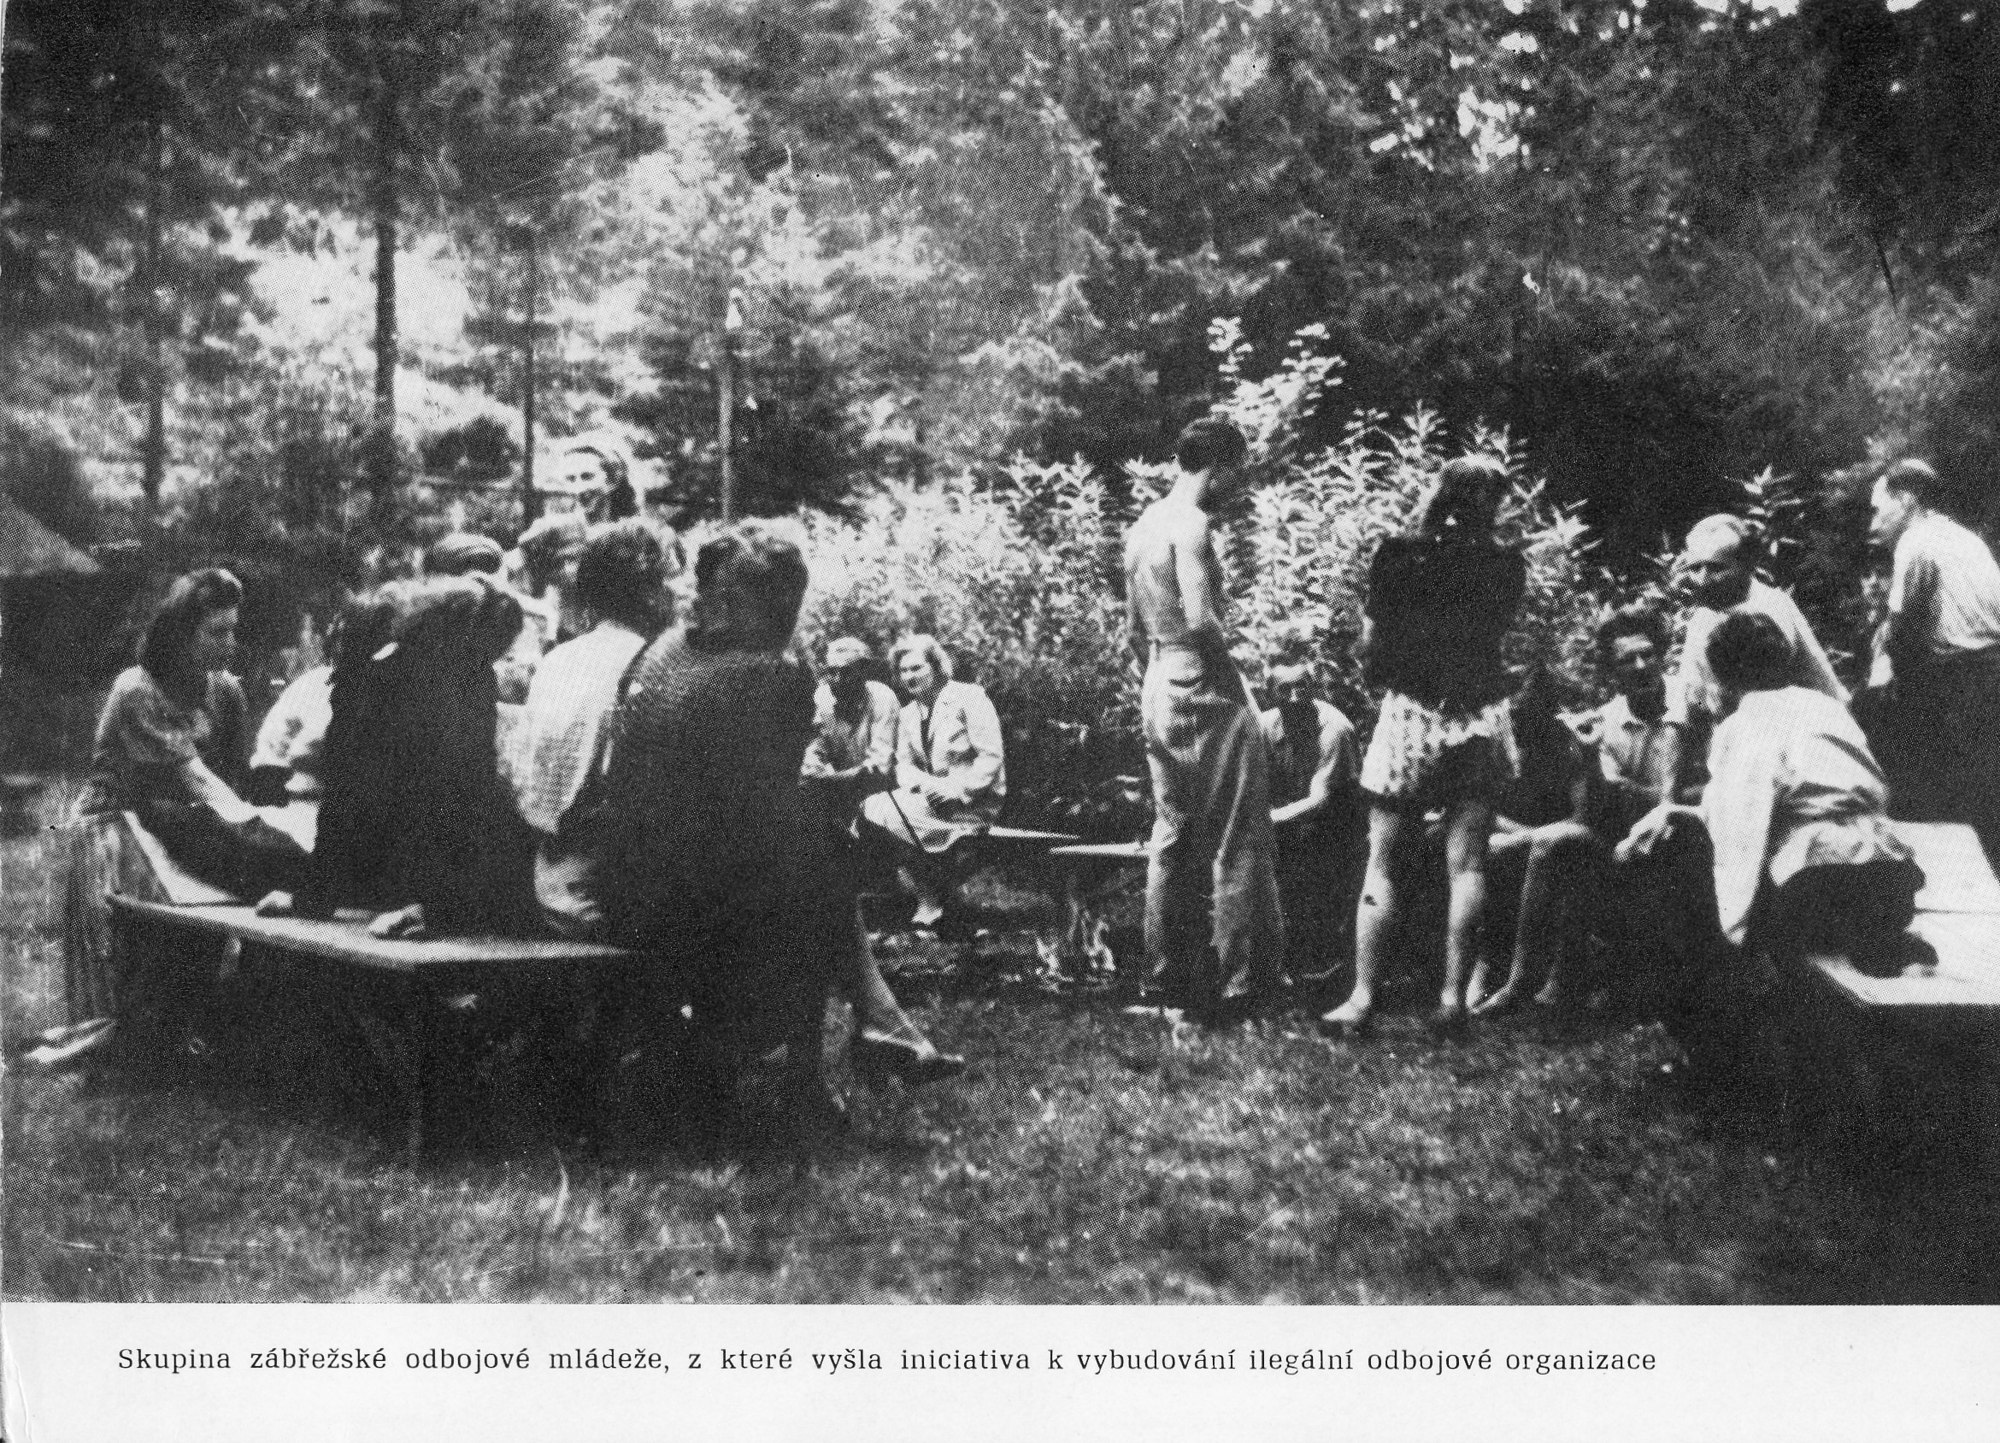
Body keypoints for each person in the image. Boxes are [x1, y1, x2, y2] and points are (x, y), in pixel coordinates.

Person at [598, 524, 863, 1137]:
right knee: (828, 866)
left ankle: (862, 1029)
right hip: (693, 899)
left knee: (815, 858)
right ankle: (803, 1078)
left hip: (624, 874)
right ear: (780, 603)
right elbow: (762, 810)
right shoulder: (771, 675)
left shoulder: (661, 650)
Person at [1321, 455, 1524, 1039]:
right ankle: (1453, 999)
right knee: (1468, 864)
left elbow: (1372, 639)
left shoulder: (1398, 554)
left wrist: (1381, 669)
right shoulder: (1506, 564)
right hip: (1481, 711)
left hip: (1412, 710)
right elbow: (1493, 635)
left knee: (1382, 861)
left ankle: (1362, 998)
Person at [65, 568, 308, 1023]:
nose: (229, 643)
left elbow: (228, 779)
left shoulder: (226, 691)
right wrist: (256, 825)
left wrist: (253, 828)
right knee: (136, 979)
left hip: (186, 827)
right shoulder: (137, 690)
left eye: (233, 630)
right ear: (180, 634)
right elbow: (193, 778)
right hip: (118, 832)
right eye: (216, 632)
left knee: (204, 946)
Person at [1625, 611, 1924, 981]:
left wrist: (1734, 929)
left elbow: (1741, 828)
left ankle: (1715, 984)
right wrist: (1676, 811)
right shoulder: (1825, 707)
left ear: (1725, 677)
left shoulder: (1746, 723)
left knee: (1690, 866)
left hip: (1822, 878)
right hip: (1891, 872)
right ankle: (1877, 939)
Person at [1122, 418, 1284, 1021]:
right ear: (1219, 468)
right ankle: (1241, 982)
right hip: (1202, 678)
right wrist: (1238, 685)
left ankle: (1162, 976)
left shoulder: (1143, 527)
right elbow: (1201, 619)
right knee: (1239, 831)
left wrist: (1162, 678)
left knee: (1172, 833)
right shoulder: (1192, 525)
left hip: (1158, 679)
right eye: (1236, 474)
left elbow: (1133, 630)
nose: (1236, 487)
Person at [274, 574, 535, 939]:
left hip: (405, 867)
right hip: (410, 867)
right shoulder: (442, 674)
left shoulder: (451, 673)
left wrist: (315, 896)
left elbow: (348, 796)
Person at [800, 637, 964, 1082]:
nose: (835, 679)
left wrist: (836, 780)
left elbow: (879, 768)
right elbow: (809, 768)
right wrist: (839, 780)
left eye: (845, 671)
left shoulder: (882, 699)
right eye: (830, 671)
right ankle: (882, 1033)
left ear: (864, 671)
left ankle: (884, 1030)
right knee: (826, 913)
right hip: (822, 813)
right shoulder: (818, 701)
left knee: (838, 908)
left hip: (868, 803)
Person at [512, 521, 673, 937]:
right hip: (606, 902)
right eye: (672, 576)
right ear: (650, 591)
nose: (683, 590)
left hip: (546, 882)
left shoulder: (558, 660)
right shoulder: (653, 665)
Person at [1863, 458, 2000, 863]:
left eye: (1878, 509)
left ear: (1906, 499)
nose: (1873, 522)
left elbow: (1900, 631)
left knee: (1977, 794)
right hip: (1984, 669)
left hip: (1969, 677)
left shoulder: (1916, 541)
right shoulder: (1963, 538)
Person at [1466, 667, 1597, 1016]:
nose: (1517, 716)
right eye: (1513, 708)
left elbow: (1580, 818)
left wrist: (1521, 839)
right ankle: (1481, 964)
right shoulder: (1493, 740)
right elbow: (1481, 808)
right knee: (1472, 853)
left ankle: (1522, 977)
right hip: (1504, 835)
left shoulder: (1568, 746)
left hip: (1549, 842)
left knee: (1545, 854)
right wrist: (1510, 835)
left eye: (1528, 709)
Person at [858, 634, 1007, 930]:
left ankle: (932, 896)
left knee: (891, 815)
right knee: (873, 807)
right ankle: (927, 891)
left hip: (972, 803)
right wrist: (927, 786)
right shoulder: (908, 714)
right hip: (930, 800)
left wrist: (956, 790)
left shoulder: (968, 697)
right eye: (903, 671)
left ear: (937, 667)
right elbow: (904, 766)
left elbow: (991, 756)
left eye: (917, 668)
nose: (909, 677)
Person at [1673, 514, 1844, 731]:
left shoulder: (1769, 609)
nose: (1703, 579)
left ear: (1746, 566)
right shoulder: (1704, 616)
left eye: (1716, 568)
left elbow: (1759, 701)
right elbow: (1691, 691)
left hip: (1799, 728)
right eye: (1696, 568)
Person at [1258, 659, 1361, 984]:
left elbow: (1321, 801)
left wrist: (1264, 819)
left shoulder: (1334, 729)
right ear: (1270, 694)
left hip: (1336, 828)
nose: (1294, 696)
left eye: (1301, 687)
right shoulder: (1265, 727)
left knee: (1317, 874)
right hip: (1289, 825)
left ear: (1313, 688)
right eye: (1284, 689)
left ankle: (1324, 961)